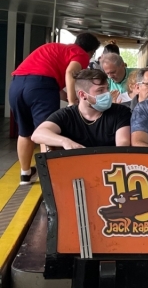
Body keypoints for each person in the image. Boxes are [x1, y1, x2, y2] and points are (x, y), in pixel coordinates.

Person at [10, 31, 100, 184]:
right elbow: (70, 72)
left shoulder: (56, 49)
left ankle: (25, 175)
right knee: (47, 131)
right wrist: (71, 102)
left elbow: (49, 83)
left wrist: (72, 98)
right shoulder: (80, 54)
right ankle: (49, 179)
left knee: (25, 132)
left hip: (16, 86)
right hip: (40, 87)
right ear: (91, 52)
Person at [31, 69, 131, 150]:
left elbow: (122, 146)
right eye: (100, 90)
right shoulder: (66, 115)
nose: (107, 93)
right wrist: (65, 142)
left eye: (107, 88)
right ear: (82, 95)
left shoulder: (121, 112)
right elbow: (37, 134)